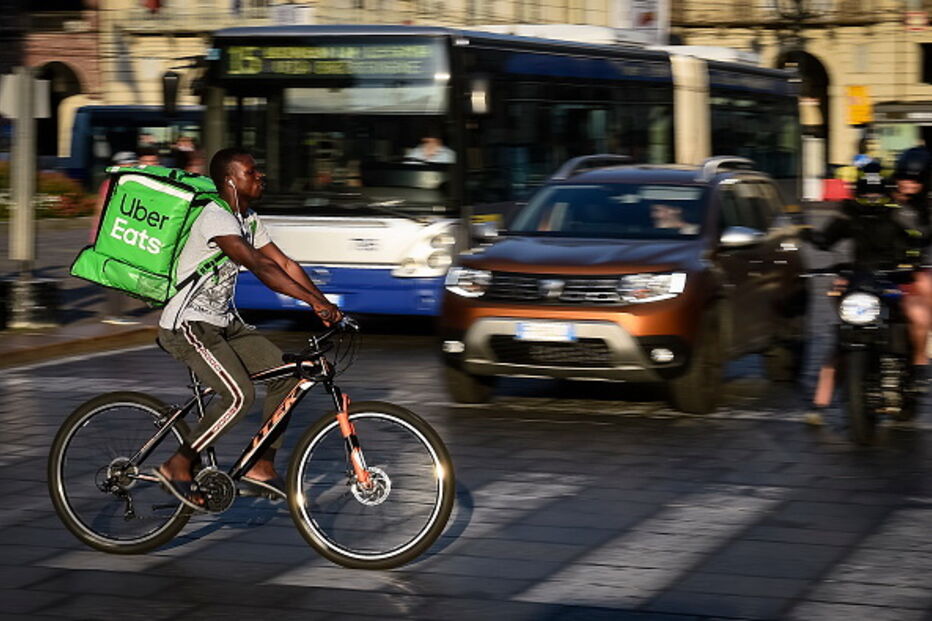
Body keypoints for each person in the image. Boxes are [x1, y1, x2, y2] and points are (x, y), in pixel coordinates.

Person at [153, 147, 342, 508]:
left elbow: (284, 264)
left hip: (224, 323)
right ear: (230, 181)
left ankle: (261, 466)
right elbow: (260, 266)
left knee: (289, 377)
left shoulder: (248, 219)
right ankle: (178, 464)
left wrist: (325, 305)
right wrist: (312, 301)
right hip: (188, 324)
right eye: (251, 172)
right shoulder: (215, 217)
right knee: (239, 396)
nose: (260, 177)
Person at [802, 161, 928, 422]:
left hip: (893, 279)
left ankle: (917, 368)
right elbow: (829, 237)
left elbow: (915, 238)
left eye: (876, 193)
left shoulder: (898, 212)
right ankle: (820, 405)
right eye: (866, 193)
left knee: (913, 316)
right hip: (860, 279)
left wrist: (911, 260)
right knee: (841, 336)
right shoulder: (849, 214)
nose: (871, 198)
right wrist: (812, 237)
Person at [90, 151, 140, 326]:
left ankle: (116, 313)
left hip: (121, 236)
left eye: (133, 164)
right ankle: (114, 314)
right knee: (115, 276)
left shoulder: (127, 184)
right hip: (111, 237)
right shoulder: (114, 184)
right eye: (129, 164)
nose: (132, 167)